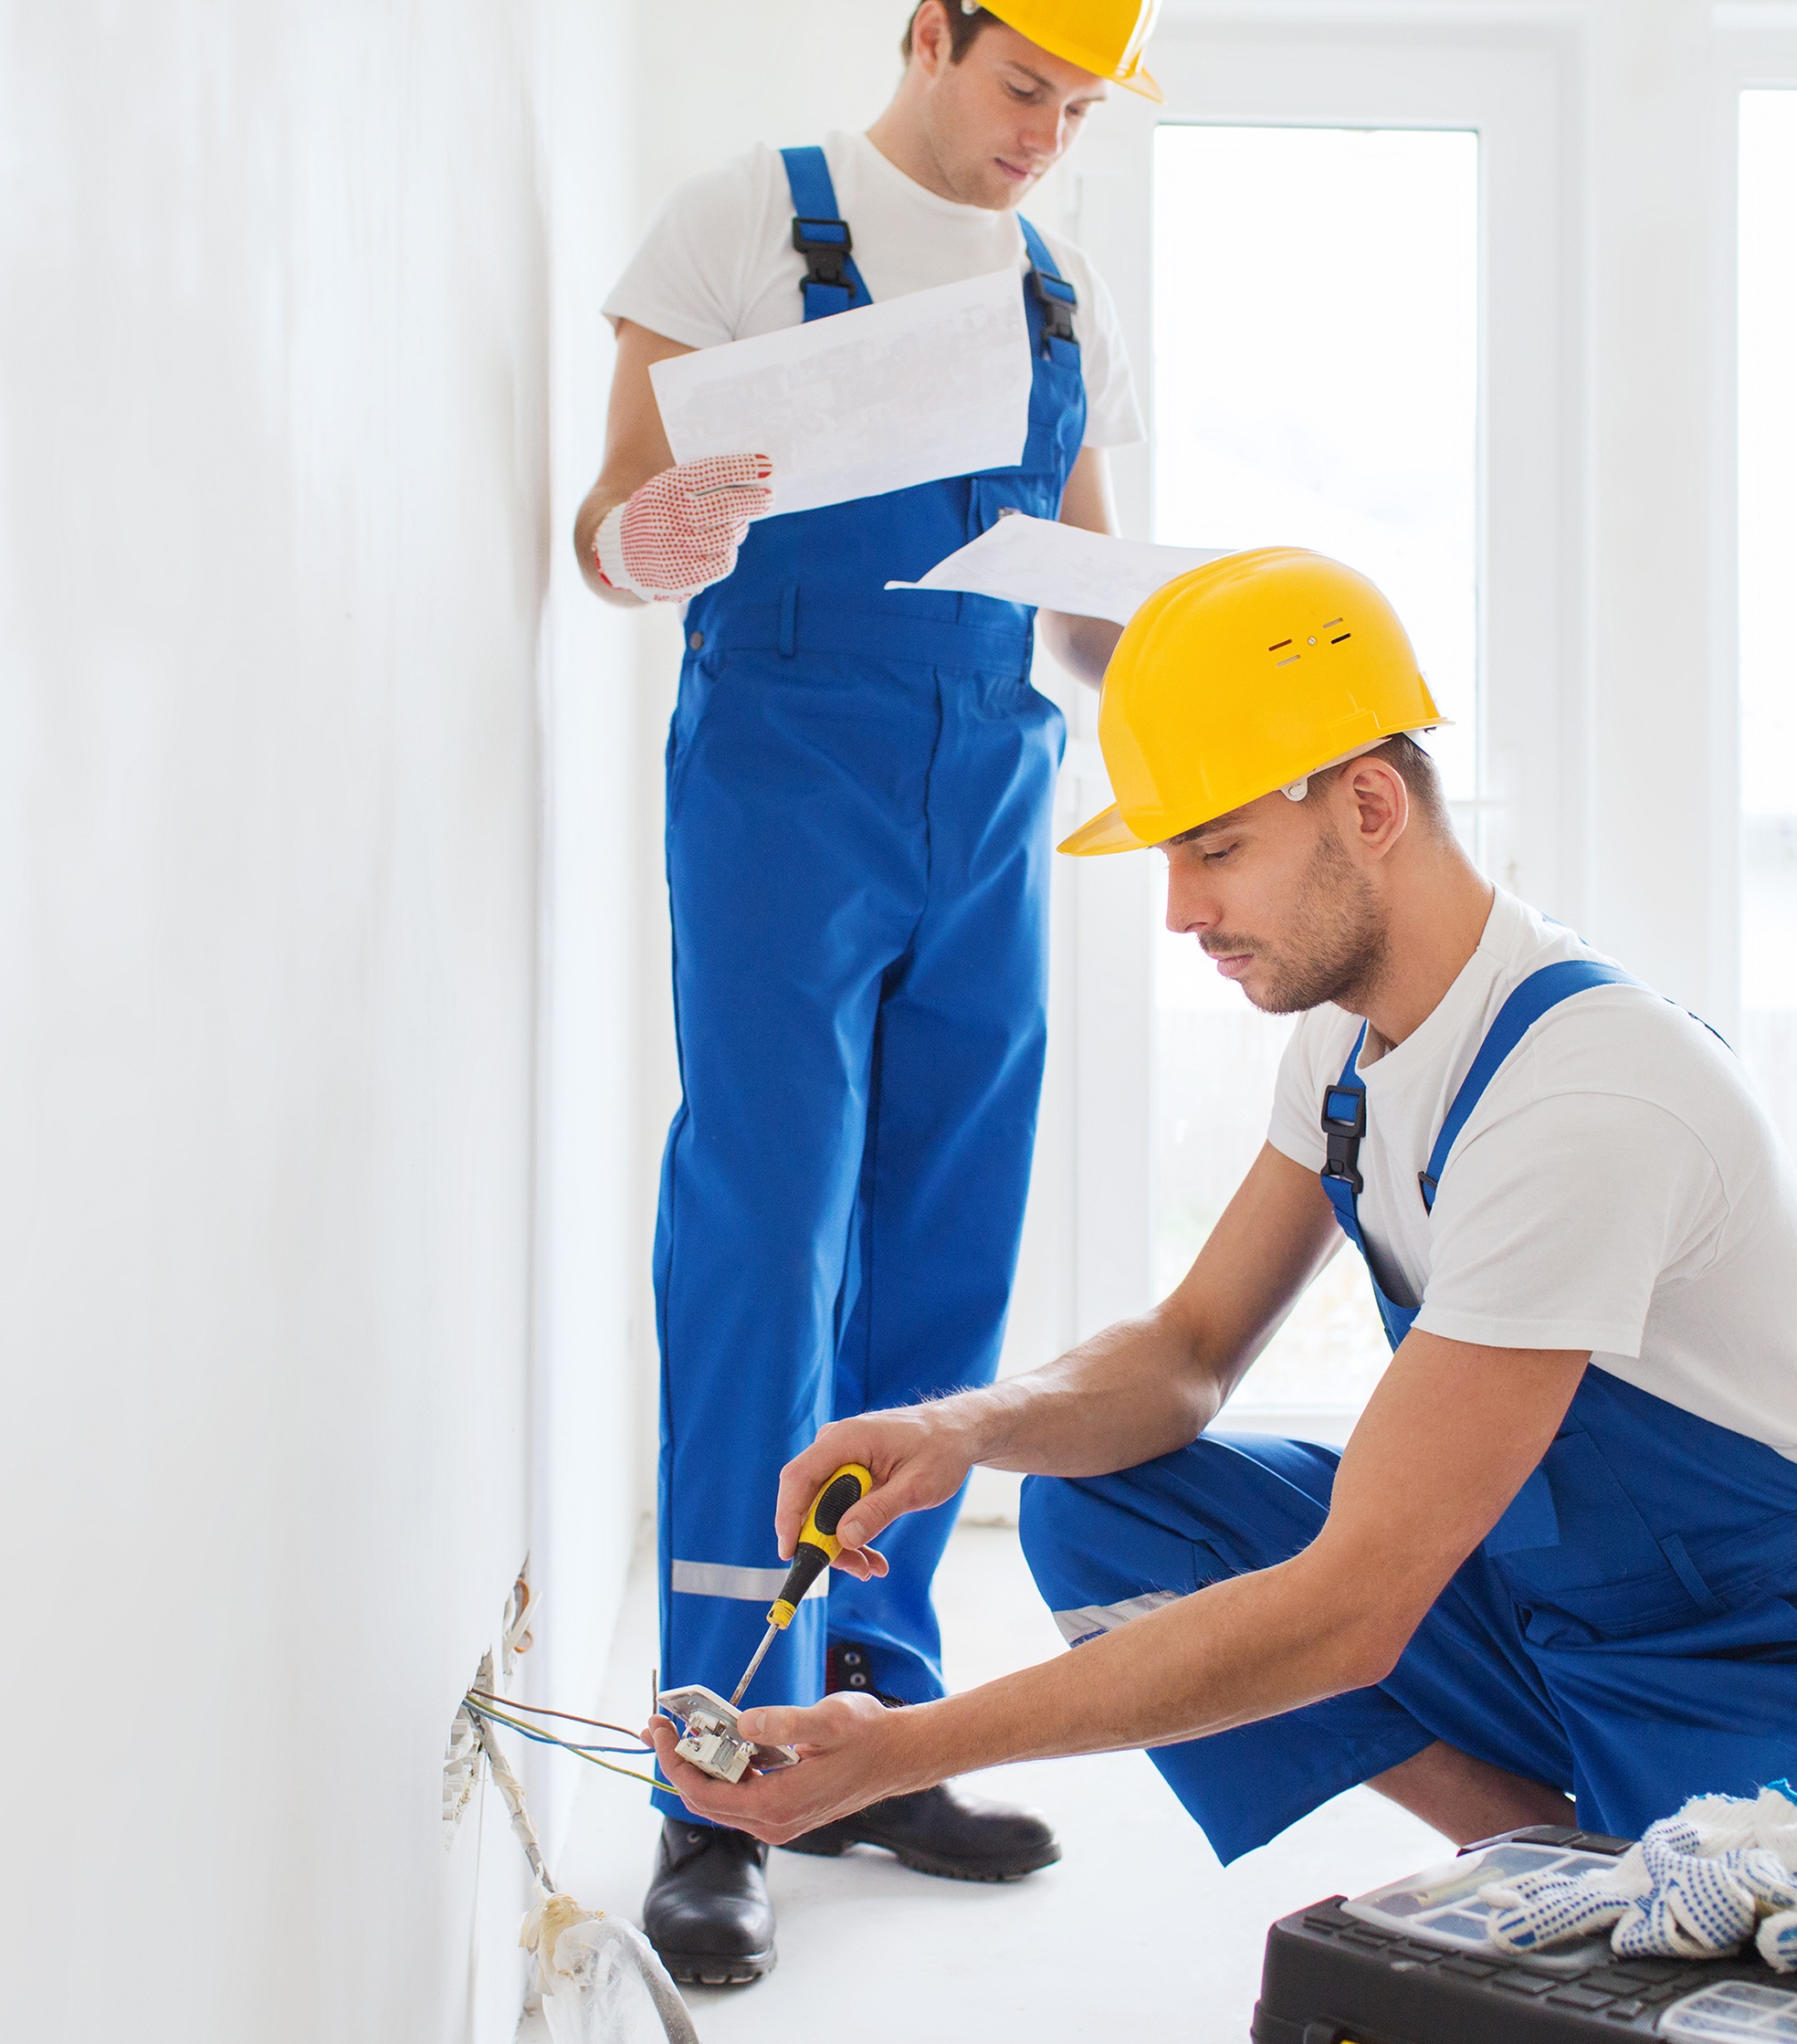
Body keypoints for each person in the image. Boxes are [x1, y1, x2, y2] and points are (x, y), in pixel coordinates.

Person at [648, 546, 1797, 1912]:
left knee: (1714, 1973)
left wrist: (905, 1750)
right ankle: (1553, 1847)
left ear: (1370, 805)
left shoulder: (1587, 1096)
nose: (1182, 910)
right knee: (1103, 1500)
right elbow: (1190, 1349)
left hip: (1765, 1643)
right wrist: (968, 1427)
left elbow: (1354, 1606)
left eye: (1217, 850)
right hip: (1531, 1596)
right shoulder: (1346, 1044)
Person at [573, 0, 1164, 1987]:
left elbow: (1084, 607)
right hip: (783, 790)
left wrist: (1191, 670)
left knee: (939, 1262)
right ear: (927, 30)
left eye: (1076, 115)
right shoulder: (748, 219)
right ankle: (712, 1771)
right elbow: (612, 526)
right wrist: (641, 538)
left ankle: (877, 1732)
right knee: (761, 1249)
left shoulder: (1055, 295)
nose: (1041, 142)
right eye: (1023, 91)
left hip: (988, 795)